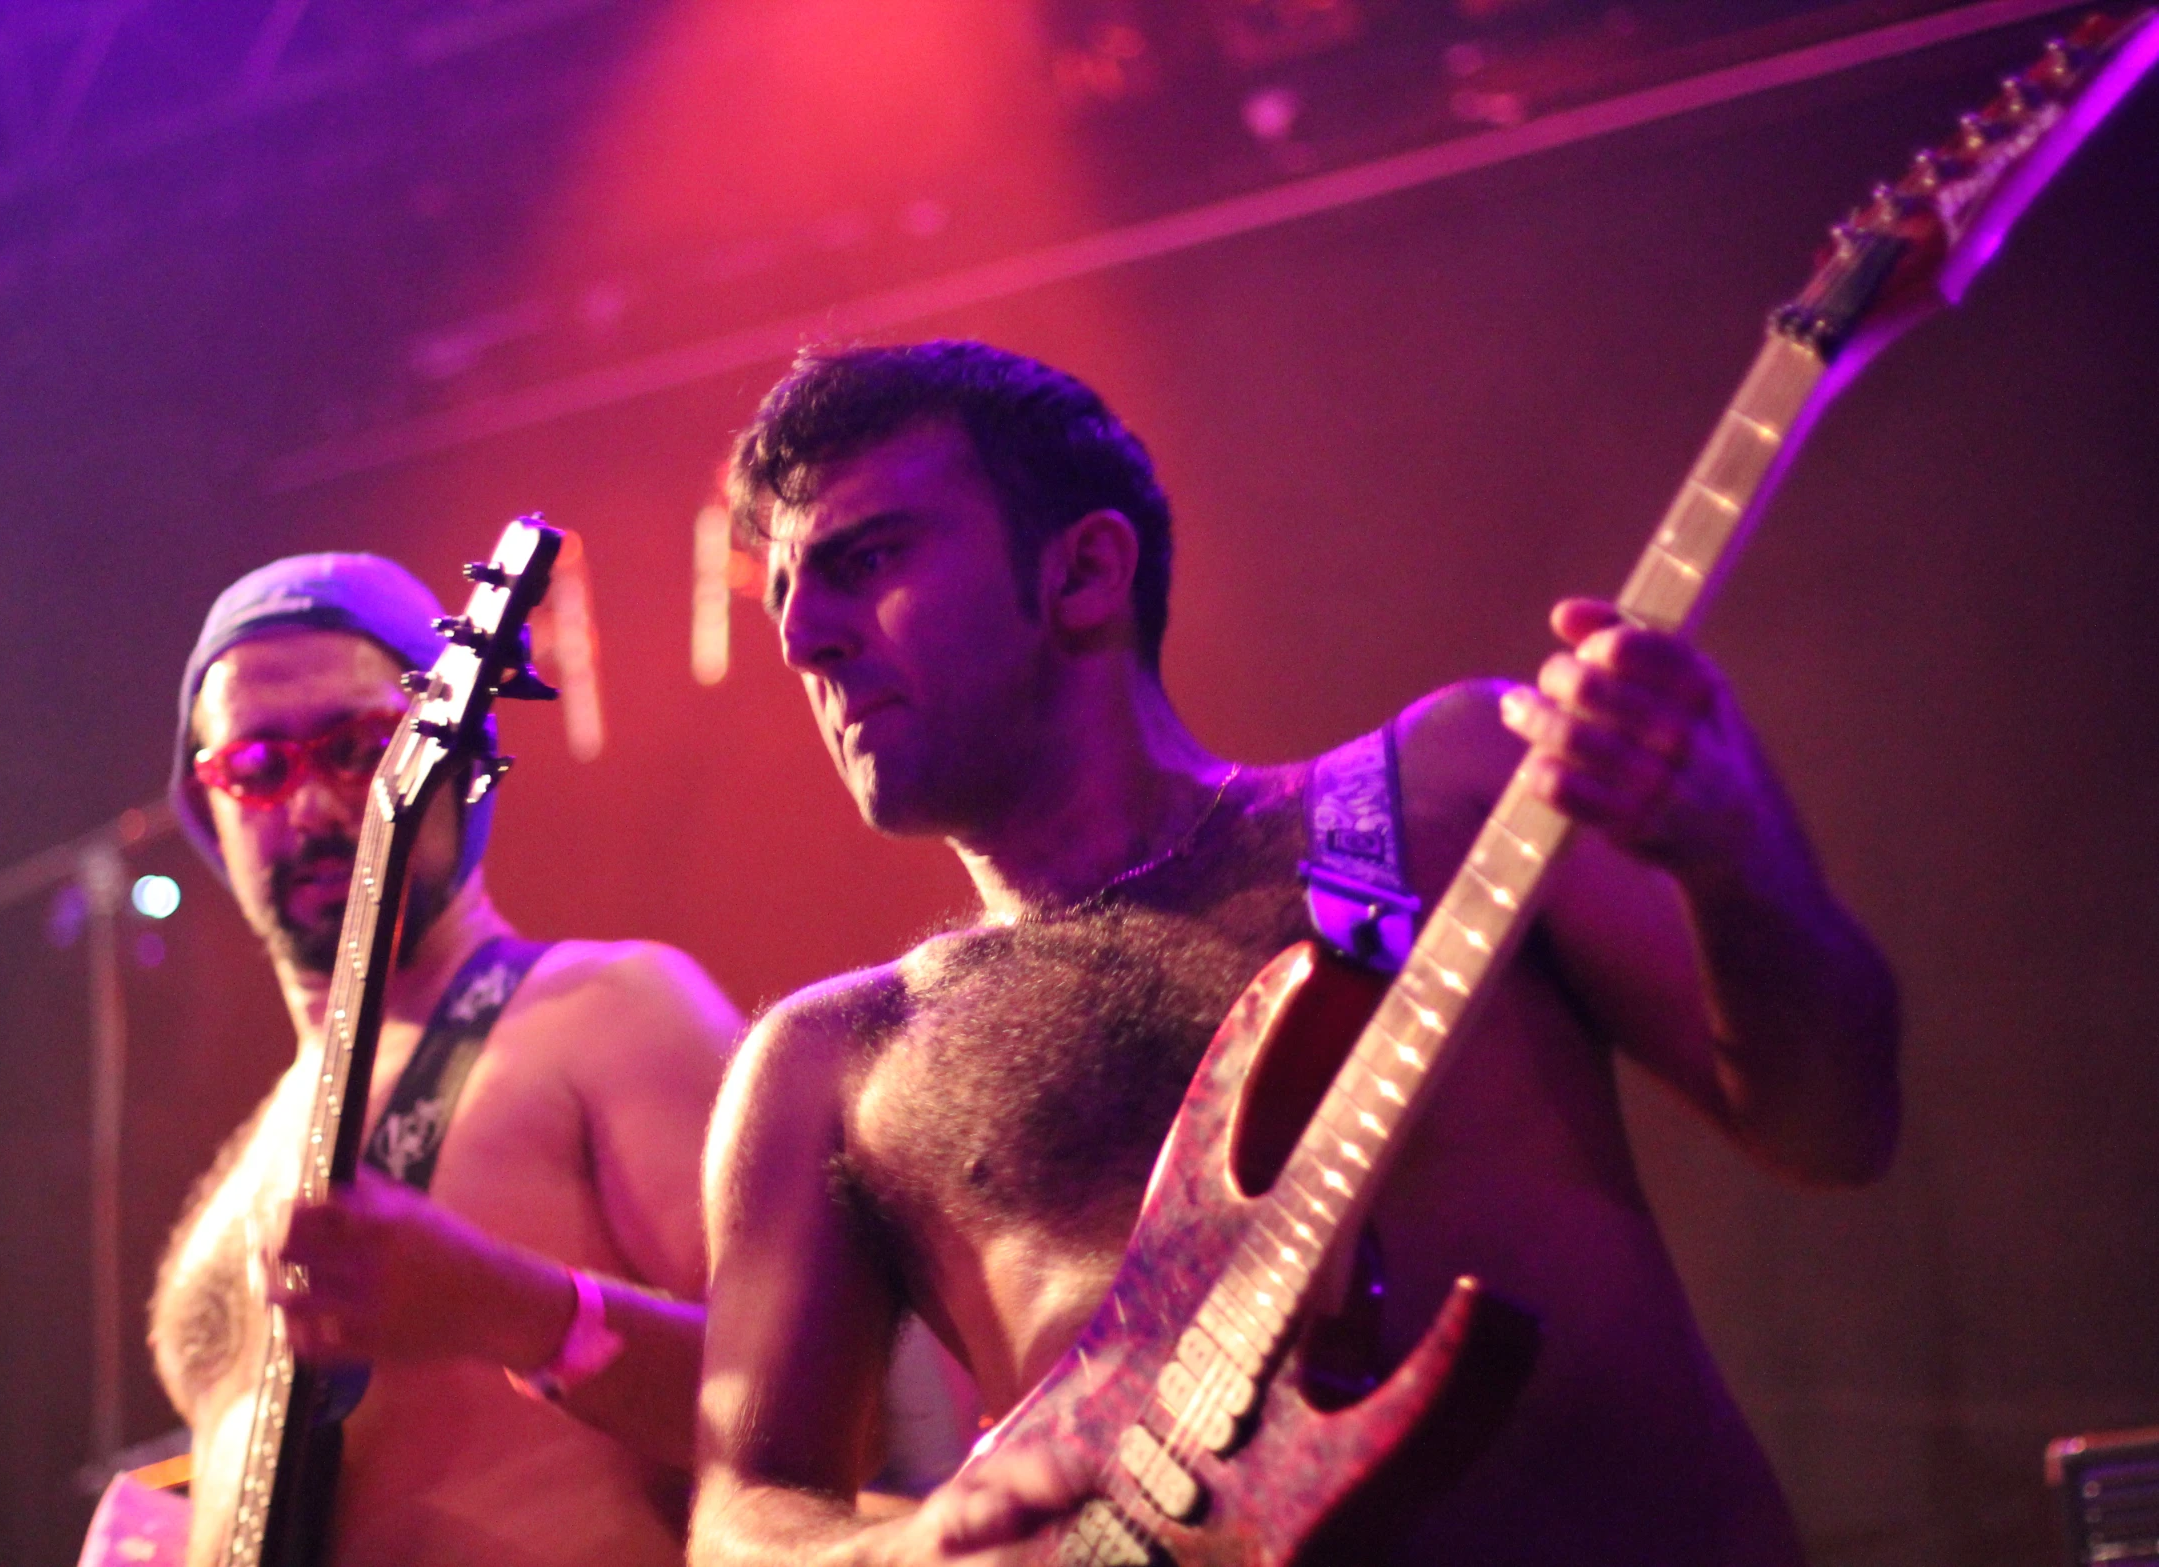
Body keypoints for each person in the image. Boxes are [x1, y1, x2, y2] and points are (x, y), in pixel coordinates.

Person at [689, 341, 1902, 1565]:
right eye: (784, 587)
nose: (801, 639)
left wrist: (1735, 851)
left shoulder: (1458, 790)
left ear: (1085, 571)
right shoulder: (825, 1064)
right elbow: (739, 1519)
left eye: (866, 560)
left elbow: (1832, 1128)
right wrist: (912, 1553)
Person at [148, 552, 741, 1567]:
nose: (315, 807)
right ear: (208, 810)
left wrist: (516, 1310)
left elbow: (848, 1418)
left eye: (358, 745)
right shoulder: (249, 1153)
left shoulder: (608, 1013)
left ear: (458, 752)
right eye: (257, 768)